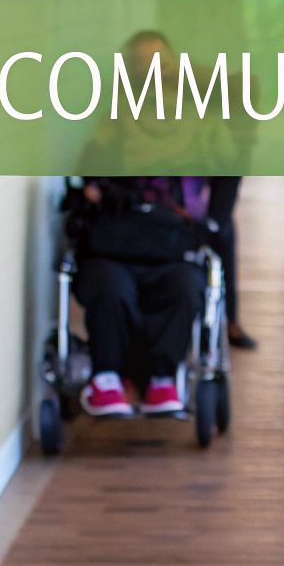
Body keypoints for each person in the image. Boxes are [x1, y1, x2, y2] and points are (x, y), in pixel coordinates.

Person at [160, 0, 257, 348]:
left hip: (224, 135)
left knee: (221, 223)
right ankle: (186, 316)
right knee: (184, 218)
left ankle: (228, 318)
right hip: (180, 136)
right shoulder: (166, 6)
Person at [69, 175, 210, 417]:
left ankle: (162, 379)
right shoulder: (105, 148)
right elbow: (87, 193)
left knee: (185, 287)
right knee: (111, 289)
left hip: (167, 252)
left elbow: (200, 208)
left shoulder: (184, 154)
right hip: (110, 250)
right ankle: (106, 378)